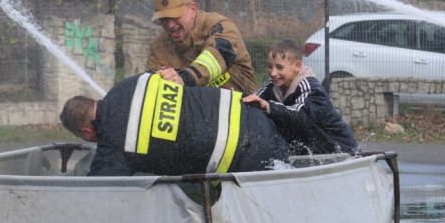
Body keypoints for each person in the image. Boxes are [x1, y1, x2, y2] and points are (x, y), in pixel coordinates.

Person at [61, 71, 289, 176]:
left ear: (87, 131)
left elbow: (99, 191)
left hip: (245, 153)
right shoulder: (131, 82)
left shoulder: (113, 146)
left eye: (86, 138)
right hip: (252, 112)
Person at [242, 39, 359, 155]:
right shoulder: (272, 86)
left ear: (297, 66)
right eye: (269, 66)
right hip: (309, 155)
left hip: (341, 152)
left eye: (279, 67)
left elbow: (301, 116)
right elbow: (254, 98)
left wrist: (267, 106)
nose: (273, 73)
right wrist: (237, 97)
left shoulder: (311, 88)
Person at [145, 0, 259, 94]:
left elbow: (219, 54)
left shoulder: (219, 25)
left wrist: (183, 78)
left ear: (193, 9)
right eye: (164, 19)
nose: (170, 25)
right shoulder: (158, 45)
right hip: (193, 112)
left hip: (243, 107)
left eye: (175, 17)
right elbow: (151, 86)